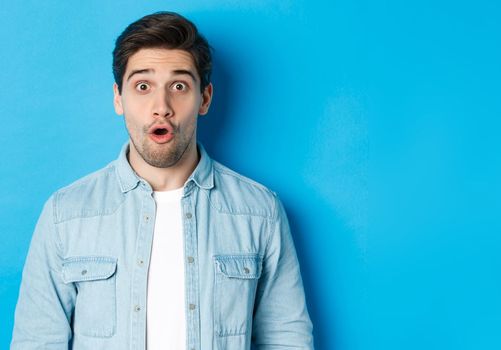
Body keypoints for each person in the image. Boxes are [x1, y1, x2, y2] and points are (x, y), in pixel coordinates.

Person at [10, 11, 314, 350]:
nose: (161, 107)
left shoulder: (259, 211)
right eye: (143, 86)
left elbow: (287, 338)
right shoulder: (65, 215)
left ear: (205, 98)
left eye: (179, 86)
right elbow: (36, 342)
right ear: (118, 98)